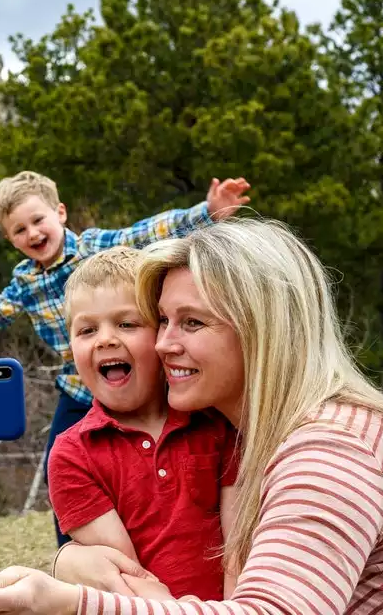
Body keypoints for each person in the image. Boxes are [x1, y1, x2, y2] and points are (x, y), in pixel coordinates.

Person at [0, 218, 383, 615]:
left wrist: (64, 599)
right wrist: (71, 560)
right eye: (164, 321)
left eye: (192, 324)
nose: (165, 344)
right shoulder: (277, 431)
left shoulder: (329, 452)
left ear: (262, 331)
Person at [0, 170, 252, 546]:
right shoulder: (24, 283)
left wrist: (206, 212)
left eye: (38, 221)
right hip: (77, 385)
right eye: (19, 230)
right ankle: (72, 547)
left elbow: (145, 232)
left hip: (139, 376)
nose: (32, 234)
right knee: (60, 463)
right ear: (9, 239)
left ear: (60, 213)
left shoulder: (94, 248)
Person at [49, 246, 240, 601]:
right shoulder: (72, 455)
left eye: (127, 324)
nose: (106, 338)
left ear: (161, 337)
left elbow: (238, 549)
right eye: (87, 330)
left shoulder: (216, 422)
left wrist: (234, 609)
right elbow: (124, 576)